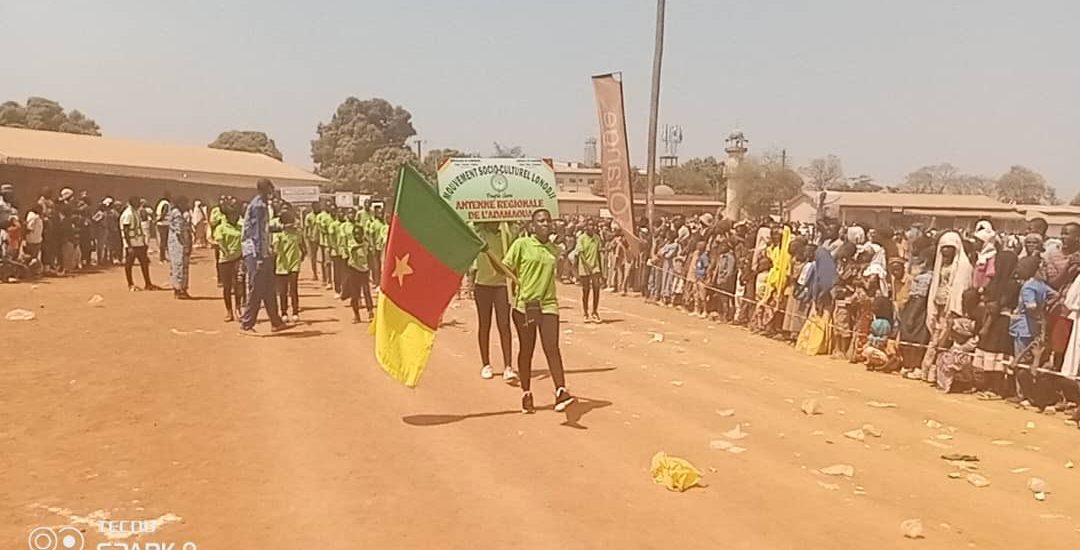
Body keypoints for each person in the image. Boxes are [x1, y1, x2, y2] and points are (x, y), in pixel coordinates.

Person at [503, 209, 574, 414]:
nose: (545, 224)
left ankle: (561, 390)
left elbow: (561, 271)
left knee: (552, 346)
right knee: (527, 349)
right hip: (525, 306)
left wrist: (561, 250)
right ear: (532, 225)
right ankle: (526, 392)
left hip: (548, 304)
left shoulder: (553, 249)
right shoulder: (521, 244)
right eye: (541, 221)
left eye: (548, 221)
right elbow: (505, 266)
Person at [240, 179, 290, 334]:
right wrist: (260, 257)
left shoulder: (261, 205)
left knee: (269, 287)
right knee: (257, 288)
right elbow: (256, 234)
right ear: (265, 189)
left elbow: (265, 229)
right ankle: (246, 324)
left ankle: (276, 321)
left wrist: (282, 227)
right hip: (256, 253)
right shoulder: (258, 207)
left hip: (263, 252)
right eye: (270, 188)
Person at [474, 222, 516, 381]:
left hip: (502, 285)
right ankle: (486, 364)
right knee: (484, 325)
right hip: (482, 284)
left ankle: (508, 366)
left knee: (504, 324)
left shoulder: (507, 233)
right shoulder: (479, 233)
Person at [935, 289, 981, 393]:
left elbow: (970, 338)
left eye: (968, 299)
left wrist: (952, 327)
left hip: (971, 349)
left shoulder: (978, 317)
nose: (964, 302)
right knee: (943, 356)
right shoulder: (959, 317)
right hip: (958, 347)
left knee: (956, 358)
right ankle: (948, 383)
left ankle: (965, 384)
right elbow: (943, 343)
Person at [119, 196, 158, 291]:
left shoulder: (135, 212)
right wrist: (129, 245)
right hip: (132, 243)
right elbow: (126, 230)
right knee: (129, 264)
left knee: (144, 263)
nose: (139, 204)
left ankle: (148, 283)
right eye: (137, 202)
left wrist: (144, 243)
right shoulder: (128, 214)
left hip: (139, 242)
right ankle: (130, 284)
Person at [273, 210, 305, 323]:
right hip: (282, 265)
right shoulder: (279, 235)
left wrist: (302, 256)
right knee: (283, 291)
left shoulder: (297, 234)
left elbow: (302, 246)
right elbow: (275, 249)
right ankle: (284, 312)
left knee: (293, 289)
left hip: (294, 264)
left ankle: (295, 311)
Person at [214, 205, 244, 321]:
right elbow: (220, 242)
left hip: (238, 259)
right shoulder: (221, 228)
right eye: (233, 215)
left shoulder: (240, 227)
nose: (236, 217)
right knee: (227, 287)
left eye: (237, 215)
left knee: (238, 285)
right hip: (225, 260)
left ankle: (238, 309)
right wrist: (226, 251)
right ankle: (229, 311)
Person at [345, 223, 375, 323]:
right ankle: (356, 315)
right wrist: (363, 245)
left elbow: (370, 256)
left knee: (367, 291)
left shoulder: (366, 244)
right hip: (354, 269)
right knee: (355, 294)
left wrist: (370, 267)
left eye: (359, 234)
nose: (357, 236)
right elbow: (352, 250)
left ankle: (370, 312)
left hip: (364, 270)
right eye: (356, 234)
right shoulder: (351, 243)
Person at [576, 218, 603, 323]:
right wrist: (587, 265)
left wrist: (600, 268)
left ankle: (595, 312)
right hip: (584, 267)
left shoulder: (597, 238)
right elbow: (581, 253)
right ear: (586, 227)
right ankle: (585, 312)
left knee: (596, 289)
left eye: (593, 225)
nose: (591, 227)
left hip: (595, 267)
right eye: (589, 225)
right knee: (586, 290)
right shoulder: (581, 238)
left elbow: (599, 252)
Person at [167, 196, 193, 299]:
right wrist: (186, 245)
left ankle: (181, 288)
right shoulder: (177, 214)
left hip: (178, 244)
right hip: (178, 244)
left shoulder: (178, 214)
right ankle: (179, 289)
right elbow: (180, 232)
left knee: (180, 267)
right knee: (179, 266)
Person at [304, 203, 321, 280]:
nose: (316, 208)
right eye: (315, 207)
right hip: (312, 239)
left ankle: (324, 275)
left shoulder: (322, 216)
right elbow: (306, 228)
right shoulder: (309, 216)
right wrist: (306, 239)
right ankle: (314, 273)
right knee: (313, 257)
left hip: (322, 239)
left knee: (322, 258)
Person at [155, 192, 172, 263]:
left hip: (161, 223)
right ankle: (162, 258)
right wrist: (159, 219)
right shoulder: (166, 204)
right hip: (164, 224)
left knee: (163, 241)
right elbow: (164, 213)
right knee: (164, 241)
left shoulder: (161, 203)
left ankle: (164, 257)